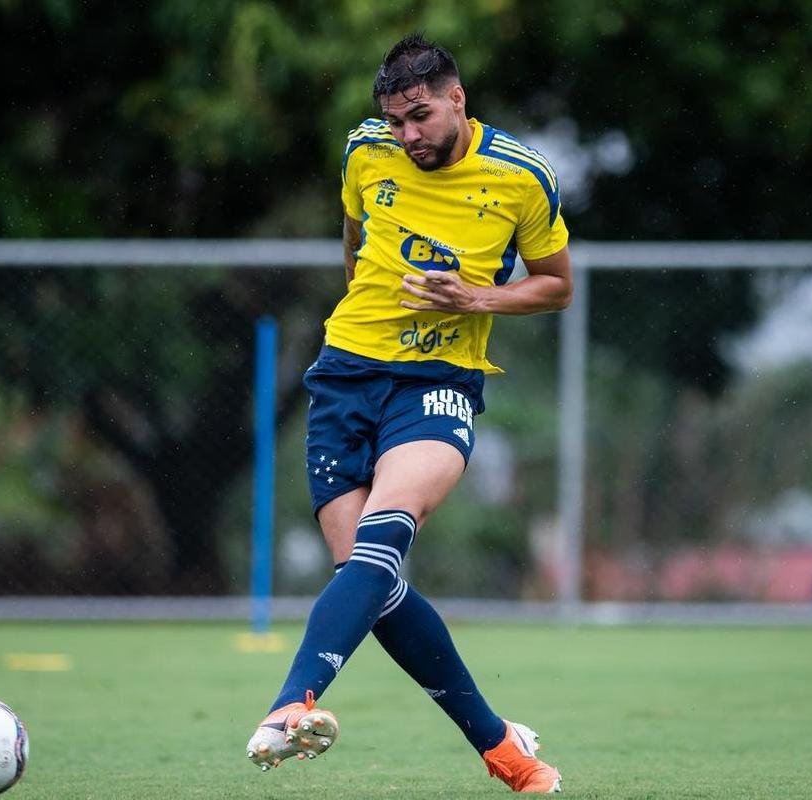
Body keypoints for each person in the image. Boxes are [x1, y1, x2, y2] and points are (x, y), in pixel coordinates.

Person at [245, 33, 571, 793]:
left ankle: (290, 702)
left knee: (381, 542)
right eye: (396, 121)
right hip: (343, 377)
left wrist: (476, 298)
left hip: (439, 382)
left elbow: (556, 285)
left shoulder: (522, 176)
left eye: (420, 116)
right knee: (371, 582)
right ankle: (501, 747)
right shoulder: (365, 151)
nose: (407, 135)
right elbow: (354, 239)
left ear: (457, 99)